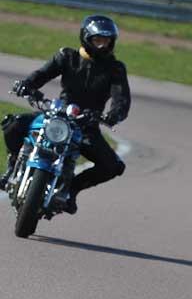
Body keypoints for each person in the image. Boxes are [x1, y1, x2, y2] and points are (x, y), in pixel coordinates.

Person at [0, 15, 130, 214]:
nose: (103, 46)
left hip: (87, 125)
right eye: (98, 41)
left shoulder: (115, 69)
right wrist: (26, 85)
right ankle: (12, 166)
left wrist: (113, 115)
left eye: (106, 42)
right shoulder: (67, 56)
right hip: (57, 116)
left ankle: (71, 190)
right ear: (86, 39)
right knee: (13, 124)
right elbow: (41, 74)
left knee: (112, 166)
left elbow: (121, 99)